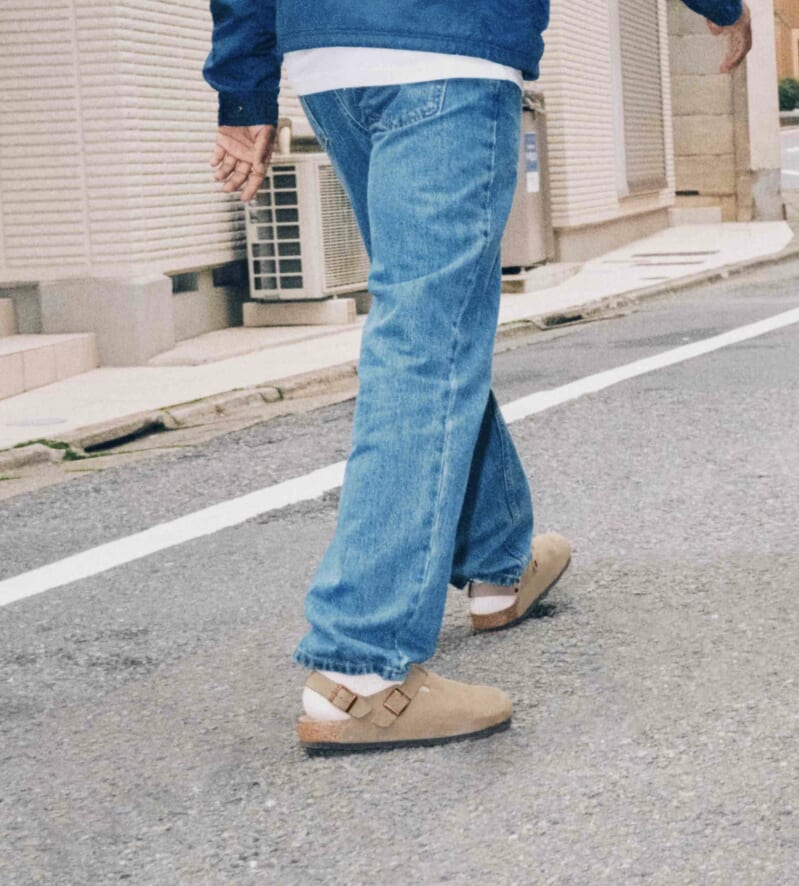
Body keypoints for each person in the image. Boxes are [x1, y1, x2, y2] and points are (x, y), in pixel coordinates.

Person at [204, 0, 753, 753]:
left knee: (436, 322)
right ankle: (360, 667)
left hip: (328, 59)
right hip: (449, 49)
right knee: (425, 345)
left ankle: (498, 563)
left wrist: (244, 93)